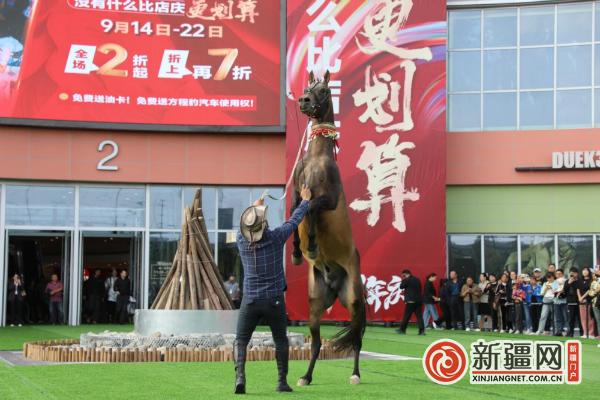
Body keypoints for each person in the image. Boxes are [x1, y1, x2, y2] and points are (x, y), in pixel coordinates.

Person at [233, 184, 311, 394]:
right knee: (280, 340)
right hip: (274, 300)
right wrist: (305, 200)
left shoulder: (241, 241)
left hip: (250, 300)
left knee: (241, 341)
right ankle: (281, 382)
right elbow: (294, 220)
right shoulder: (275, 238)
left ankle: (240, 377)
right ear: (264, 224)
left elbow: (247, 224)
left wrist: (256, 209)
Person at [397, 269, 425, 335]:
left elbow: (401, 286)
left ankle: (402, 330)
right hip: (418, 300)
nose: (403, 276)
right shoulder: (417, 279)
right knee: (419, 316)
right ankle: (422, 331)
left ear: (405, 274)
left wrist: (403, 279)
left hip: (410, 301)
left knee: (406, 316)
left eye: (403, 275)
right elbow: (420, 288)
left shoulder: (407, 280)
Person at [577, 267, 596, 338]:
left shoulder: (591, 280)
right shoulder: (580, 280)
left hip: (588, 301)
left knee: (589, 317)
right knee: (583, 318)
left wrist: (582, 297)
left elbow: (589, 290)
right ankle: (585, 333)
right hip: (581, 301)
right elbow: (578, 289)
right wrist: (579, 297)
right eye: (583, 270)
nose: (584, 272)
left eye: (586, 270)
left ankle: (591, 333)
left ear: (589, 272)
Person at [564, 268, 580, 337]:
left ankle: (582, 333)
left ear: (577, 273)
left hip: (579, 302)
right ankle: (570, 333)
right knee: (571, 318)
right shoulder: (567, 281)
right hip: (570, 302)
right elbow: (564, 290)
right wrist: (569, 283)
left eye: (574, 272)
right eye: (571, 272)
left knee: (579, 318)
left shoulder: (580, 281)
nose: (572, 274)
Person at [552, 268, 568, 336]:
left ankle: (568, 331)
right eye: (557, 274)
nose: (558, 275)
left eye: (559, 274)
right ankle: (559, 331)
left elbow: (566, 290)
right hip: (556, 301)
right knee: (558, 317)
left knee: (566, 317)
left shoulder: (566, 281)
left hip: (564, 301)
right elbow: (553, 291)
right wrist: (558, 289)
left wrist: (561, 289)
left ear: (562, 274)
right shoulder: (555, 282)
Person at [587, 266, 600, 341]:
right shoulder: (594, 283)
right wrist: (596, 291)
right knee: (598, 320)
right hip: (596, 303)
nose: (594, 275)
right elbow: (591, 293)